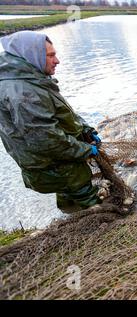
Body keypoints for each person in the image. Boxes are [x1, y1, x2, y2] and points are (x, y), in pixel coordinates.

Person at [0, 31, 101, 212]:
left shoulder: (31, 78)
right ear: (33, 55)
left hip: (57, 161)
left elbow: (59, 111)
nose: (57, 61)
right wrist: (84, 150)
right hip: (53, 165)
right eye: (51, 55)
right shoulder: (23, 92)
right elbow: (46, 139)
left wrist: (85, 128)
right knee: (87, 200)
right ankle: (104, 230)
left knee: (70, 198)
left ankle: (73, 218)